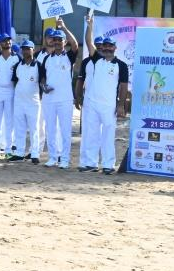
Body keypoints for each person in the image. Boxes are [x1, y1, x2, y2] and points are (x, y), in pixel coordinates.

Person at [75, 37, 129, 174]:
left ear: (115, 48)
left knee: (108, 135)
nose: (107, 48)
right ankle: (90, 163)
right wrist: (90, 23)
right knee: (92, 134)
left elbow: (123, 86)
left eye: (110, 46)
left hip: (109, 105)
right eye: (104, 46)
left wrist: (121, 105)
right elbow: (88, 41)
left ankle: (108, 164)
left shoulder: (121, 65)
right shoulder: (96, 60)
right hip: (92, 104)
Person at [39, 22, 79, 169]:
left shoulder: (69, 56)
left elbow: (75, 44)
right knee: (50, 128)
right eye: (54, 40)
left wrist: (63, 27)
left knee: (65, 130)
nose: (56, 42)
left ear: (64, 42)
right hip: (49, 98)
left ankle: (65, 159)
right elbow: (42, 77)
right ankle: (52, 157)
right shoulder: (46, 59)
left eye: (59, 40)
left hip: (65, 99)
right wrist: (44, 87)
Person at [0, 34, 20, 160]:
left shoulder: (17, 58)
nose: (7, 43)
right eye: (4, 41)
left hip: (11, 92)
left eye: (8, 41)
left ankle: (8, 150)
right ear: (0, 44)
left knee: (9, 121)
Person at [12, 40, 44, 164]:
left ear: (33, 50)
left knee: (34, 128)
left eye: (28, 49)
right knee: (19, 128)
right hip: (19, 101)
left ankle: (35, 153)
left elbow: (42, 81)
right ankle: (19, 153)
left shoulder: (39, 65)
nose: (26, 51)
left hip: (33, 102)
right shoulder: (18, 65)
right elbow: (15, 81)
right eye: (24, 49)